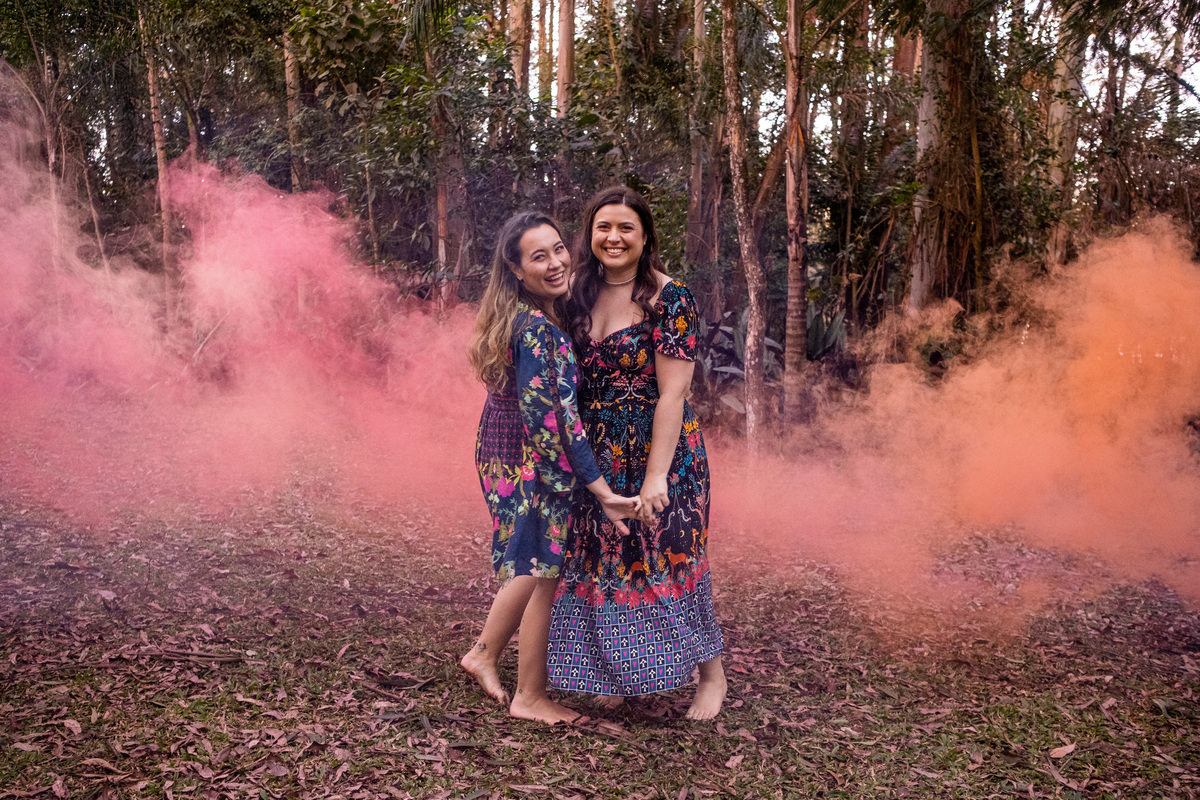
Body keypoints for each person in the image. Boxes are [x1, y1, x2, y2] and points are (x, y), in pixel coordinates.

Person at [547, 186, 727, 720]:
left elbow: (673, 394)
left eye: (626, 227)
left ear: (645, 236)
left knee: (673, 556)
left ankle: (712, 676)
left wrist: (656, 476)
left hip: (664, 452)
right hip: (598, 457)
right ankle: (619, 674)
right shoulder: (575, 293)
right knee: (607, 561)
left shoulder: (671, 298)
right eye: (603, 227)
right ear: (589, 234)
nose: (613, 237)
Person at [462, 210, 639, 725]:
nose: (557, 262)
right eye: (539, 257)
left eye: (559, 249)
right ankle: (530, 695)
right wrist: (599, 488)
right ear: (517, 270)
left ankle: (485, 654)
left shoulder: (521, 316)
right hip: (531, 461)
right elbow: (557, 423)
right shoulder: (541, 331)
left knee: (535, 563)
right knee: (542, 567)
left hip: (504, 449)